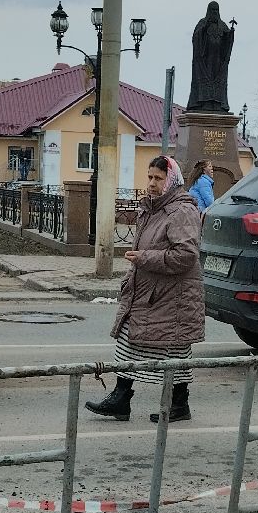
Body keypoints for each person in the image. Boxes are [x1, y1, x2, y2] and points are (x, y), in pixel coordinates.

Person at [85, 154, 205, 424]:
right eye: (149, 177)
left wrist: (144, 258)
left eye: (158, 178)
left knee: (173, 350)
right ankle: (121, 399)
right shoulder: (152, 208)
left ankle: (178, 404)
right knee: (128, 342)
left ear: (171, 180)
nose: (152, 183)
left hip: (173, 298)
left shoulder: (182, 210)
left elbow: (186, 255)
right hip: (151, 293)